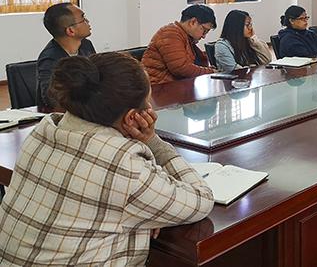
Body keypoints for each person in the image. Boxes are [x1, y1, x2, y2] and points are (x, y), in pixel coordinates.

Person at [0, 53, 214, 265]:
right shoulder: (122, 164)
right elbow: (201, 199)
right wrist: (153, 142)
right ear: (133, 117)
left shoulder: (43, 131)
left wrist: (141, 212)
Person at [36, 3, 96, 112]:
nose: (88, 21)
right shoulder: (50, 58)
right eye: (83, 19)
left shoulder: (86, 45)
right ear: (71, 31)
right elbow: (50, 98)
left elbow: (97, 76)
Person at [142, 4, 217, 84]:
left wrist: (209, 70)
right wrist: (211, 72)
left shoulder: (185, 36)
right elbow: (181, 68)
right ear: (193, 22)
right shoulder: (170, 34)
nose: (204, 36)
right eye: (204, 30)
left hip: (174, 84)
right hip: (158, 86)